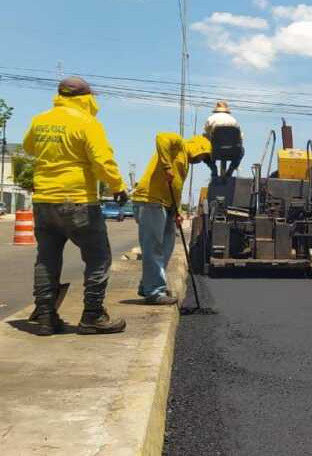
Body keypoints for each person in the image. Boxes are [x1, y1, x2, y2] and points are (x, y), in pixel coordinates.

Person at [22, 76, 128, 335]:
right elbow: (102, 160)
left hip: (44, 201)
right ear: (87, 97)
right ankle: (92, 315)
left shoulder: (40, 120)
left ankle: (45, 316)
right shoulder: (88, 123)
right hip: (78, 199)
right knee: (98, 256)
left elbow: (29, 147)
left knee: (46, 259)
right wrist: (118, 187)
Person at [132, 133, 212, 304]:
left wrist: (177, 211)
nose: (200, 161)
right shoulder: (178, 145)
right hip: (151, 200)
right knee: (154, 247)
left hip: (167, 205)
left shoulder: (185, 163)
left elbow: (176, 188)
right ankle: (154, 292)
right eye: (203, 157)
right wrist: (167, 166)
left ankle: (147, 285)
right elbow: (161, 137)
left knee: (167, 246)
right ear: (200, 147)